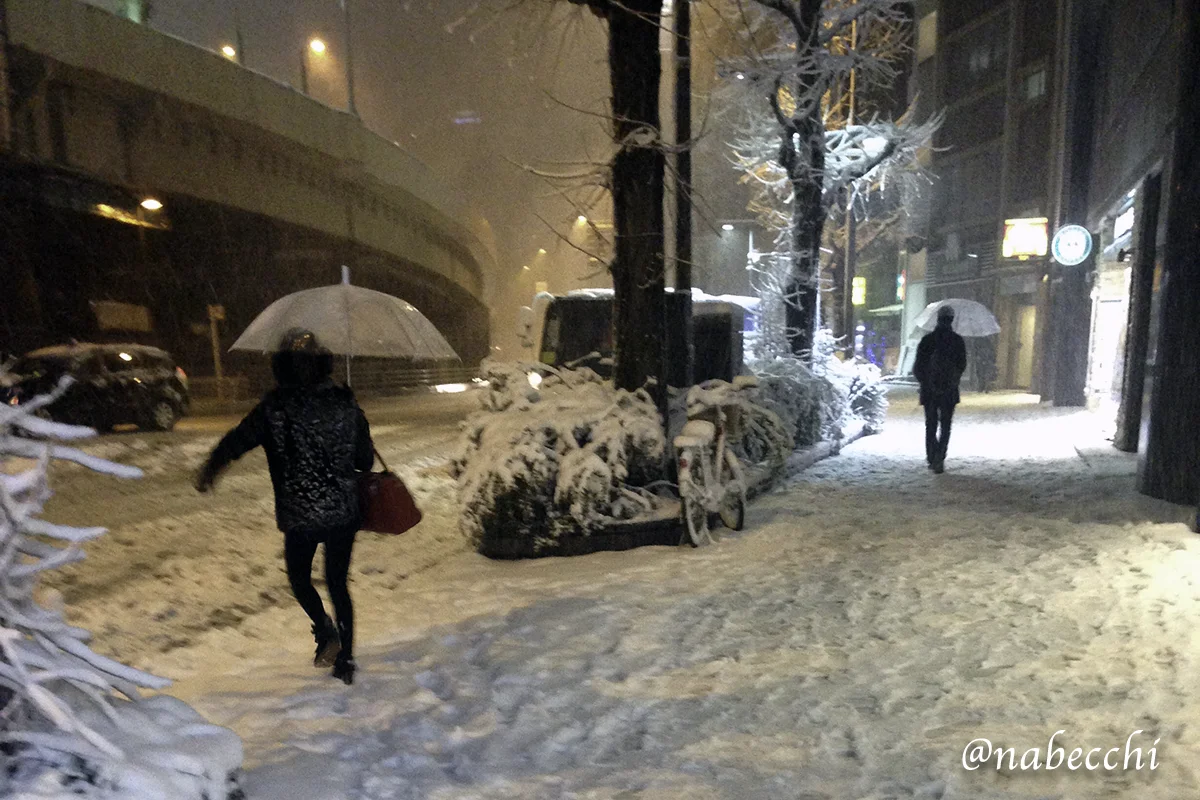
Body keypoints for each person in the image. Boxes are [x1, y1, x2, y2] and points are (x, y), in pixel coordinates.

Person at [195, 329, 373, 684]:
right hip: (341, 512)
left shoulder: (274, 409)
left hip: (301, 515)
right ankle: (346, 661)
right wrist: (351, 419)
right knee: (338, 583)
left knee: (300, 580)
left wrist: (212, 467)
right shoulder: (344, 403)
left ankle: (325, 631)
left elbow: (237, 441)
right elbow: (365, 461)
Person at [913, 305, 967, 474]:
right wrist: (952, 380)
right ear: (951, 320)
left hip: (929, 390)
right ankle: (940, 457)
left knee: (930, 424)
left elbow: (918, 367)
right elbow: (962, 365)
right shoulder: (957, 341)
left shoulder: (927, 340)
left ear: (937, 318)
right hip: (949, 390)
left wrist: (925, 382)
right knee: (945, 425)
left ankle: (931, 456)